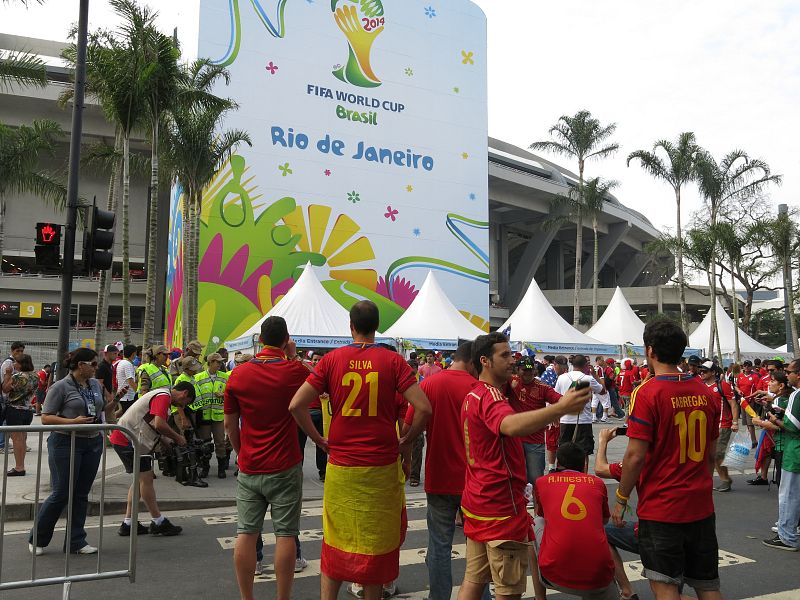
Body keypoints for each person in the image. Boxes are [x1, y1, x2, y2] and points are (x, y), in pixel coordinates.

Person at [289, 301, 432, 600]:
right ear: (376, 326)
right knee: (376, 546)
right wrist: (405, 442)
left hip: (342, 466)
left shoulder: (331, 360)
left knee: (335, 542)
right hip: (380, 467)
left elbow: (296, 405)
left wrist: (318, 438)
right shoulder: (393, 362)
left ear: (350, 326)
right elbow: (424, 408)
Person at [457, 332, 590, 600]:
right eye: (504, 355)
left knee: (473, 581)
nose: (513, 361)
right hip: (501, 508)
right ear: (485, 361)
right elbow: (510, 426)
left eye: (512, 355)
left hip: (477, 501)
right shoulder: (492, 396)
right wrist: (560, 408)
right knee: (508, 591)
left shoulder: (474, 394)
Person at [612, 319, 723, 600]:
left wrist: (621, 498)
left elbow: (635, 456)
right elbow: (712, 454)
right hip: (700, 505)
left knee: (665, 586)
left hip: (662, 508)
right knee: (707, 584)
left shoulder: (648, 393)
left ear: (650, 350)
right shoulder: (704, 391)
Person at [225, 316, 312, 600]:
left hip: (250, 465)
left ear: (259, 340)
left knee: (246, 533)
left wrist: (241, 454)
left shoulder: (237, 375)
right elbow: (314, 379)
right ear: (286, 339)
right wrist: (292, 355)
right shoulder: (294, 371)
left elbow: (229, 424)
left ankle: (247, 597)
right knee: (286, 534)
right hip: (285, 463)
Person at [401, 341, 476, 600]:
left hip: (440, 477)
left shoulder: (430, 384)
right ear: (474, 362)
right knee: (479, 549)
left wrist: (407, 462)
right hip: (475, 482)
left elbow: (408, 428)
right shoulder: (480, 388)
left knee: (439, 546)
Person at [29, 348, 111, 555]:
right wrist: (71, 422)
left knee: (81, 494)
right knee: (62, 493)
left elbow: (101, 409)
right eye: (92, 364)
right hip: (65, 442)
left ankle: (76, 541)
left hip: (92, 443)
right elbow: (46, 417)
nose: (95, 368)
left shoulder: (94, 384)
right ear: (80, 365)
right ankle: (37, 538)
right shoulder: (60, 386)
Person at [110, 382, 195, 537]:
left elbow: (152, 423)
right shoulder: (163, 397)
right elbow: (159, 424)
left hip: (127, 439)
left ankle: (128, 523)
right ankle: (158, 521)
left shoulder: (161, 396)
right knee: (146, 479)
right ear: (184, 394)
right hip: (130, 441)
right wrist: (178, 437)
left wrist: (166, 441)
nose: (181, 406)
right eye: (185, 403)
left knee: (139, 480)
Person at [533, 442, 616, 600]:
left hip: (553, 575)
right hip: (599, 579)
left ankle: (540, 597)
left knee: (535, 523)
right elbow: (604, 520)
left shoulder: (542, 482)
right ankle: (624, 590)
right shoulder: (597, 483)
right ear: (584, 465)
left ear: (558, 463)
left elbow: (542, 514)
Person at [757, 362, 800, 551]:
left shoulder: (796, 395)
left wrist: (773, 420)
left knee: (788, 495)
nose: (787, 375)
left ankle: (787, 537)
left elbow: (791, 427)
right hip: (793, 450)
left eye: (789, 372)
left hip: (794, 450)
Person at [506, 358, 561, 493]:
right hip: (514, 440)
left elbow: (559, 399)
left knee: (536, 478)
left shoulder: (542, 387)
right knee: (515, 476)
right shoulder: (509, 382)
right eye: (524, 370)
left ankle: (537, 506)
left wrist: (557, 412)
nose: (528, 373)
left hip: (535, 441)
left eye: (531, 370)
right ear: (517, 370)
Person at [555, 355, 604, 472]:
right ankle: (583, 476)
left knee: (562, 451)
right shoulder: (588, 378)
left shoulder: (562, 377)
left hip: (565, 419)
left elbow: (555, 397)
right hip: (582, 420)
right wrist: (595, 375)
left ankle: (561, 476)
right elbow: (603, 390)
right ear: (586, 366)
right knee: (583, 452)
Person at [698, 361, 739, 492]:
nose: (702, 373)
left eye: (705, 371)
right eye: (701, 370)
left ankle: (726, 480)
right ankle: (717, 479)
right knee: (709, 455)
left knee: (717, 454)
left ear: (713, 372)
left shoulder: (723, 386)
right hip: (708, 426)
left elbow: (733, 404)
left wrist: (735, 422)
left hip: (723, 425)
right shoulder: (701, 386)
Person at [195, 352, 231, 478]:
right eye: (218, 362)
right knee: (205, 443)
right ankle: (205, 467)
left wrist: (224, 395)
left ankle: (221, 468)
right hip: (204, 417)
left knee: (220, 442)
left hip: (218, 416)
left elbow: (231, 393)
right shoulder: (198, 377)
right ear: (210, 363)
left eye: (221, 362)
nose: (220, 364)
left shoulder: (225, 377)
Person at [2, 353, 38, 476]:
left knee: (16, 439)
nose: (14, 364)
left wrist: (7, 375)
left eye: (16, 362)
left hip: (15, 410)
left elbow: (6, 389)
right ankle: (21, 464)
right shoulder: (35, 376)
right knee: (23, 437)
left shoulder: (17, 376)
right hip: (28, 410)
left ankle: (19, 467)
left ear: (21, 364)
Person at [297, 351, 328, 482]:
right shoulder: (305, 370)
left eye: (320, 360)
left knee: (321, 445)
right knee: (299, 445)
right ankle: (298, 472)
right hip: (304, 414)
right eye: (315, 360)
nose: (316, 362)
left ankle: (323, 471)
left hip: (320, 414)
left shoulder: (325, 374)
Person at [0, 341, 25, 451]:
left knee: (7, 420)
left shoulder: (15, 362)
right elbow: (5, 380)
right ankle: (1, 444)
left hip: (11, 394)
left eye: (22, 351)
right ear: (12, 351)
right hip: (7, 394)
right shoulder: (8, 363)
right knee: (5, 421)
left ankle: (4, 442)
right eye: (17, 351)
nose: (20, 353)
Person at [736, 360, 760, 450]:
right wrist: (739, 391)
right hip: (743, 401)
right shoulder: (740, 376)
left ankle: (753, 440)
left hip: (750, 401)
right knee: (745, 421)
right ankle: (751, 439)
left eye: (748, 365)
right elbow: (736, 386)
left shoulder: (754, 376)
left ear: (751, 366)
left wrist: (751, 396)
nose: (746, 367)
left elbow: (758, 389)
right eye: (745, 365)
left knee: (750, 422)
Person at [115, 344, 138, 416]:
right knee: (127, 415)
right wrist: (138, 392)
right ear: (133, 353)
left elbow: (117, 379)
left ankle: (108, 422)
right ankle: (109, 424)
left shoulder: (121, 363)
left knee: (122, 412)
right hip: (128, 395)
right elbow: (130, 380)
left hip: (123, 394)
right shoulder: (127, 364)